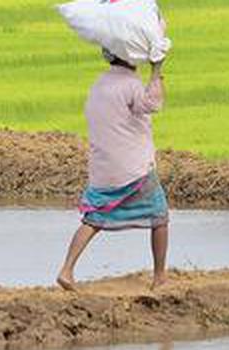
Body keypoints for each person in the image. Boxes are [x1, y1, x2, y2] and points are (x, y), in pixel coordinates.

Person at [57, 49, 168, 292]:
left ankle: (66, 269)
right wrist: (157, 69)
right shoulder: (130, 85)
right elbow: (154, 104)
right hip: (133, 166)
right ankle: (159, 277)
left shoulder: (99, 84)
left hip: (103, 167)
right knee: (159, 215)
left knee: (94, 218)